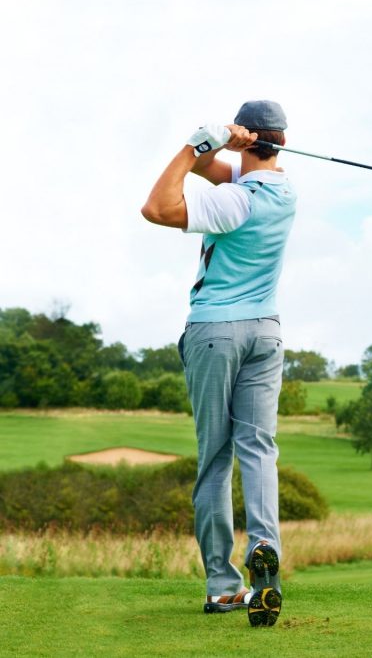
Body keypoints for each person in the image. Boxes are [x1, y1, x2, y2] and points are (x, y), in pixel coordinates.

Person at [140, 100, 296, 628]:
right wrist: (222, 147)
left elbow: (157, 208)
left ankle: (224, 587)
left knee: (215, 459)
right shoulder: (284, 191)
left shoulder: (234, 204)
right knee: (259, 450)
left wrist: (193, 145)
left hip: (215, 333)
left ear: (251, 140)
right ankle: (265, 566)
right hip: (266, 333)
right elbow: (223, 172)